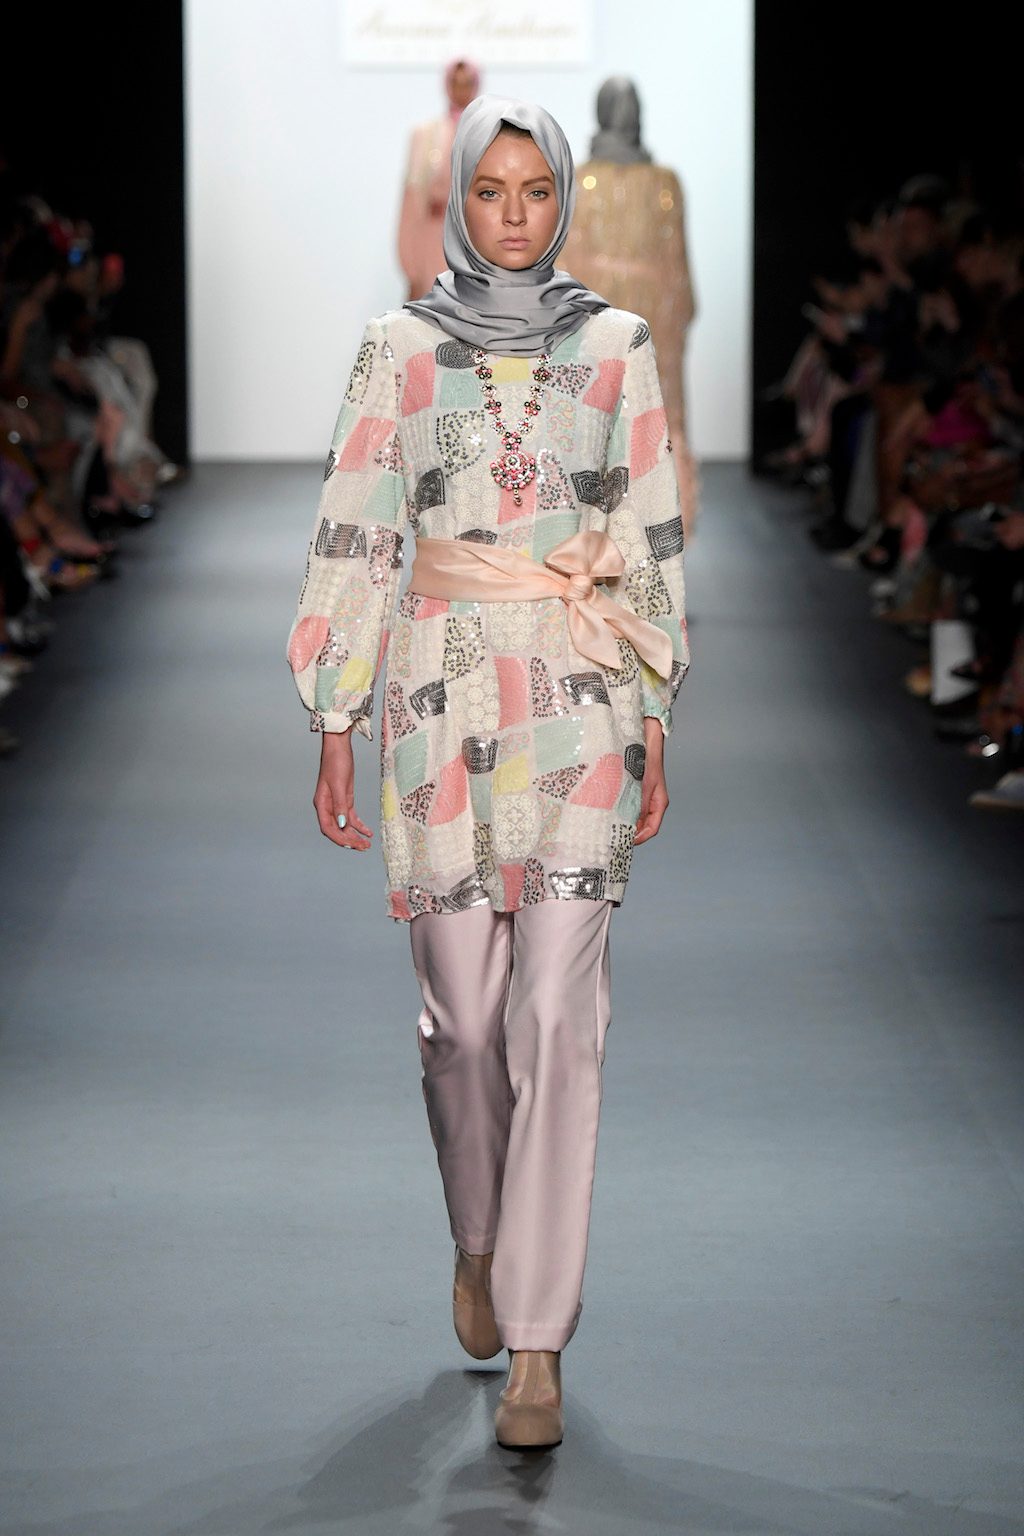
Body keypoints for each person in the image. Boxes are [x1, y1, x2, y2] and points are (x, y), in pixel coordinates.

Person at [286, 94, 689, 1451]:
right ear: (458, 200)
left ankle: (536, 1342)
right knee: (463, 1025)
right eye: (489, 192)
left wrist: (657, 709)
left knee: (560, 1018)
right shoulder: (397, 349)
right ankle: (478, 1231)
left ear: (562, 198)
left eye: (535, 192)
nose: (514, 217)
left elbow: (650, 524)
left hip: (580, 685)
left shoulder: (617, 344)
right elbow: (355, 525)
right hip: (438, 691)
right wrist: (334, 711)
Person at [564, 77, 699, 540]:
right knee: (657, 412)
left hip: (594, 308)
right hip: (653, 311)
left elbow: (567, 260)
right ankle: (661, 526)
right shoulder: (663, 182)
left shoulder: (578, 180)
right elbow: (678, 265)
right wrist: (681, 316)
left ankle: (591, 530)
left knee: (595, 411)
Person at [396, 58, 481, 302]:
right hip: (433, 239)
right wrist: (411, 267)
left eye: (467, 83)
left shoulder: (487, 134)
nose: (461, 90)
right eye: (455, 83)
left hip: (473, 240)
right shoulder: (425, 135)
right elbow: (411, 202)